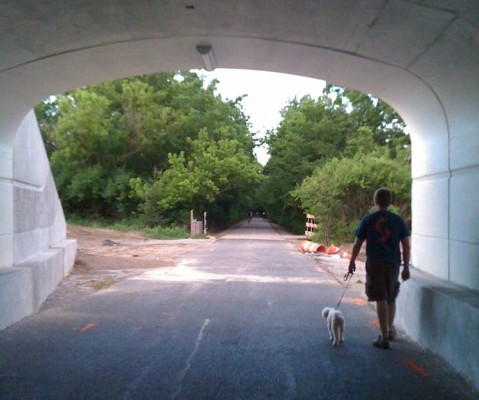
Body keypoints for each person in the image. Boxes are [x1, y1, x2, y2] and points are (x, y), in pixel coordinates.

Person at [347, 188, 411, 349]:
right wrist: (406, 266)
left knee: (380, 297)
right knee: (391, 296)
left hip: (375, 263)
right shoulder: (398, 220)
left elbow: (357, 243)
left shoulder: (368, 220)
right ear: (389, 202)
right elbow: (406, 245)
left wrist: (352, 261)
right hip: (393, 263)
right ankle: (389, 329)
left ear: (375, 201)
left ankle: (384, 338)